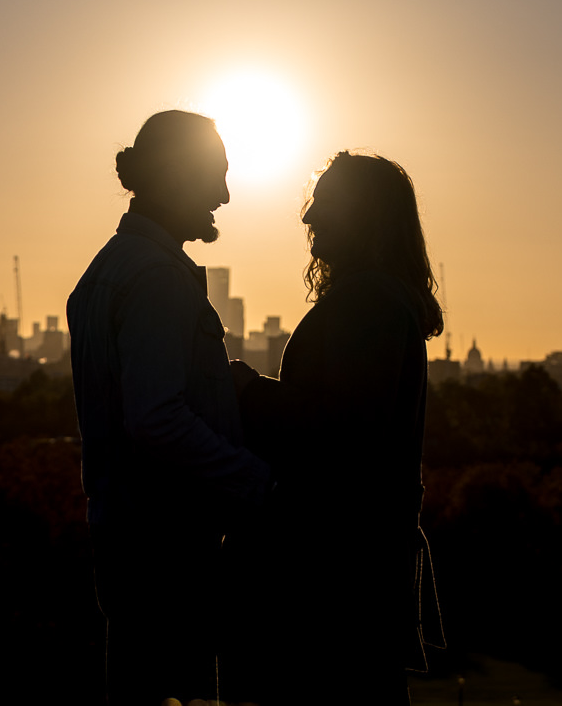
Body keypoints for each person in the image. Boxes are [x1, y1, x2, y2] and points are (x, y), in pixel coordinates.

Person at [224, 151, 445, 705]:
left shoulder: (367, 301)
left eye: (322, 204)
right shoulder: (381, 300)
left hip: (335, 575)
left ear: (359, 215)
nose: (307, 218)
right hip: (358, 566)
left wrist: (248, 390)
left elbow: (343, 431)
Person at [68, 110, 273, 706]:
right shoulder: (157, 277)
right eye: (216, 176)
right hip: (165, 546)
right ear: (175, 176)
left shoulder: (112, 269)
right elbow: (157, 417)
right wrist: (258, 482)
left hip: (133, 537)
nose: (225, 196)